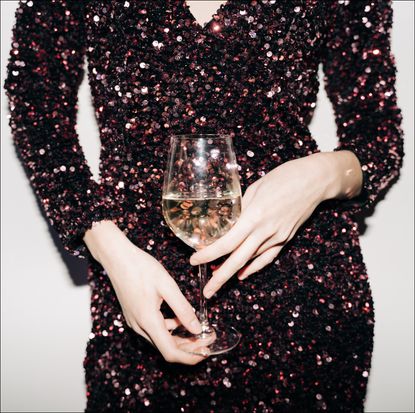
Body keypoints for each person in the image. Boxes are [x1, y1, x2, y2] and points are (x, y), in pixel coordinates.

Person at [4, 0, 404, 411]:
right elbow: (36, 104)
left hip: (304, 297)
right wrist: (105, 243)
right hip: (144, 290)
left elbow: (378, 134)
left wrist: (319, 176)